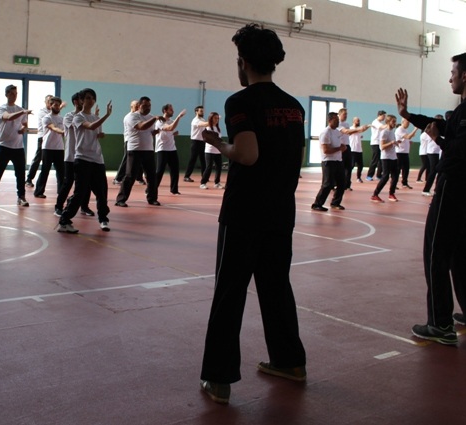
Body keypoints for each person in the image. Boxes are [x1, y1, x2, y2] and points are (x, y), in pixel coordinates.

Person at [200, 23, 306, 405]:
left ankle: (219, 377)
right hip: (281, 213)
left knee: (229, 293)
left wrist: (221, 146)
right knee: (276, 288)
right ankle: (289, 361)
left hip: (244, 213)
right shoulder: (294, 107)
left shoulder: (240, 102)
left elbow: (247, 154)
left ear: (243, 62)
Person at [395, 52, 466, 345]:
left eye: (453, 72)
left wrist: (437, 140)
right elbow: (441, 126)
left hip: (455, 188)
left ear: (465, 75)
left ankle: (440, 324)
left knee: (436, 253)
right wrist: (408, 115)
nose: (450, 77)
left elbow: (459, 149)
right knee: (462, 251)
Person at [55, 88, 113, 233]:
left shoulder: (95, 117)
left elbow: (97, 132)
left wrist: (100, 134)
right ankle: (64, 221)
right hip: (82, 159)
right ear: (81, 100)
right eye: (87, 98)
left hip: (97, 159)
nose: (90, 100)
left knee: (101, 192)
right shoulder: (77, 117)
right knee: (80, 193)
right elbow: (90, 126)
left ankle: (103, 219)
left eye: (93, 98)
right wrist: (106, 115)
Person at [0, 84, 31, 208]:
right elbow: (8, 118)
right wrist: (22, 112)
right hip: (4, 146)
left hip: (18, 147)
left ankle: (21, 197)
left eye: (16, 94)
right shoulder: (1, 109)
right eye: (11, 93)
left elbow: (24, 124)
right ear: (6, 95)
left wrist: (23, 129)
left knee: (20, 173)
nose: (14, 96)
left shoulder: (21, 109)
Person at [115, 96, 160, 207]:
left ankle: (152, 198)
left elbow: (148, 131)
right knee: (130, 176)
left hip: (148, 150)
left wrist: (155, 132)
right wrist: (155, 119)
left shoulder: (150, 117)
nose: (148, 108)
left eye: (149, 106)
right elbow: (141, 127)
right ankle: (120, 199)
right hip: (135, 149)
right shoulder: (131, 117)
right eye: (145, 105)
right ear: (139, 106)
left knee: (151, 176)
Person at [311, 112, 347, 210]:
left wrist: (342, 148)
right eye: (336, 120)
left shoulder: (337, 132)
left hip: (338, 161)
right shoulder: (325, 133)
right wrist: (339, 148)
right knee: (327, 184)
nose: (338, 122)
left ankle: (335, 203)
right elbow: (326, 150)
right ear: (329, 120)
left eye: (338, 120)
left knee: (342, 183)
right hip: (328, 161)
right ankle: (317, 204)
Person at [33, 96, 65, 199]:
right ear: (50, 106)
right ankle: (39, 191)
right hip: (47, 148)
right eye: (55, 105)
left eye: (58, 105)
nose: (57, 107)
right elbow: (53, 128)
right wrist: (63, 132)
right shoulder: (46, 118)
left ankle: (61, 192)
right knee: (45, 170)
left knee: (61, 172)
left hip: (59, 148)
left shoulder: (62, 118)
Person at [154, 104, 186, 195]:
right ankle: (151, 189)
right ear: (165, 110)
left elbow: (170, 130)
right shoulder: (160, 121)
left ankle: (174, 189)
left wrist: (173, 134)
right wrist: (179, 117)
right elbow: (170, 128)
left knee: (175, 170)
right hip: (162, 149)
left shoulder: (171, 121)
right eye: (171, 110)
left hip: (172, 149)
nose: (173, 111)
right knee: (159, 171)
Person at [370, 115, 400, 202]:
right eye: (393, 121)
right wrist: (391, 142)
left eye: (395, 121)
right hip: (386, 158)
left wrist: (396, 142)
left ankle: (391, 194)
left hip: (393, 157)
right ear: (388, 122)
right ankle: (375, 194)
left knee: (395, 176)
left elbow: (392, 143)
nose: (394, 123)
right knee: (385, 177)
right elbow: (382, 147)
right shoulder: (384, 132)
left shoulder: (392, 131)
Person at [115, 100, 145, 185]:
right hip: (129, 140)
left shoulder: (139, 116)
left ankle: (139, 177)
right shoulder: (128, 116)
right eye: (136, 105)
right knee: (126, 159)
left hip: (138, 141)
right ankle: (118, 178)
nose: (138, 107)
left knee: (140, 159)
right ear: (131, 106)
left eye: (138, 105)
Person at [338, 109, 368, 190]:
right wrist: (359, 129)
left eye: (347, 114)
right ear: (339, 114)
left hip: (348, 147)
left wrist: (362, 130)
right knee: (340, 167)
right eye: (344, 114)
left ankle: (347, 185)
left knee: (349, 167)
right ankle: (336, 184)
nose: (346, 116)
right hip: (340, 147)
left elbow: (350, 133)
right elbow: (346, 131)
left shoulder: (346, 123)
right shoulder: (338, 124)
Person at [199, 112, 224, 190]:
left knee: (219, 167)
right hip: (209, 151)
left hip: (218, 151)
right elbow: (211, 139)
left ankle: (217, 183)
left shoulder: (218, 128)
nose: (217, 120)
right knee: (209, 167)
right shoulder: (208, 128)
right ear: (211, 118)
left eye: (217, 118)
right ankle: (203, 183)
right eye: (215, 118)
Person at [184, 106, 209, 182]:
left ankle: (204, 176)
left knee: (203, 160)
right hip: (195, 142)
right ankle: (186, 176)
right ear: (196, 112)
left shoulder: (202, 120)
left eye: (203, 111)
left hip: (202, 141)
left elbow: (205, 128)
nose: (202, 112)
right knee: (193, 159)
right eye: (201, 111)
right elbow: (204, 124)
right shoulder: (195, 120)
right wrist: (212, 120)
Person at [421, 115, 444, 196]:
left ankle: (437, 189)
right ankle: (426, 190)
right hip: (431, 152)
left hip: (438, 152)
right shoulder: (430, 130)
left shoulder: (440, 130)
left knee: (439, 171)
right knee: (433, 171)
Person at [394, 118, 418, 189]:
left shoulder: (405, 130)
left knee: (406, 169)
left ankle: (404, 183)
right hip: (399, 152)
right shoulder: (399, 129)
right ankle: (394, 184)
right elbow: (408, 136)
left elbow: (409, 137)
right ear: (403, 122)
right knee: (397, 169)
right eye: (407, 122)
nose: (408, 124)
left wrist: (409, 141)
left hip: (405, 152)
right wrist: (415, 129)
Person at [365, 110, 386, 180]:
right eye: (383, 116)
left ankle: (379, 175)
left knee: (381, 160)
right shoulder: (375, 122)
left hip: (380, 143)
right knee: (375, 160)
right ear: (379, 115)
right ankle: (369, 175)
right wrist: (389, 124)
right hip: (375, 143)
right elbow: (381, 127)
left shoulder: (381, 123)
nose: (384, 117)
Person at [348, 116, 369, 184]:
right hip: (352, 150)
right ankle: (347, 178)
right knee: (351, 165)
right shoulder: (351, 129)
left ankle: (358, 177)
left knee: (360, 165)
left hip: (359, 150)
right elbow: (359, 130)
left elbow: (360, 135)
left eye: (359, 121)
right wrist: (366, 127)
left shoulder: (359, 130)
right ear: (353, 121)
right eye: (357, 121)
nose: (358, 122)